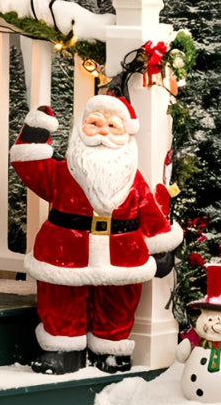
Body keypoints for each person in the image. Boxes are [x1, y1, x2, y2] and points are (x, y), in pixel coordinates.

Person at [11, 94, 181, 374]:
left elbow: (149, 210)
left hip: (121, 252)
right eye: (94, 123)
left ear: (126, 134)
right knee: (61, 298)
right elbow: (31, 168)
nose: (103, 131)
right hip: (65, 250)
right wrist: (35, 135)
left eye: (113, 126)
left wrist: (161, 246)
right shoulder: (64, 172)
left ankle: (110, 349)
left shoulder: (133, 179)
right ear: (81, 128)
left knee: (119, 301)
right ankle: (62, 350)